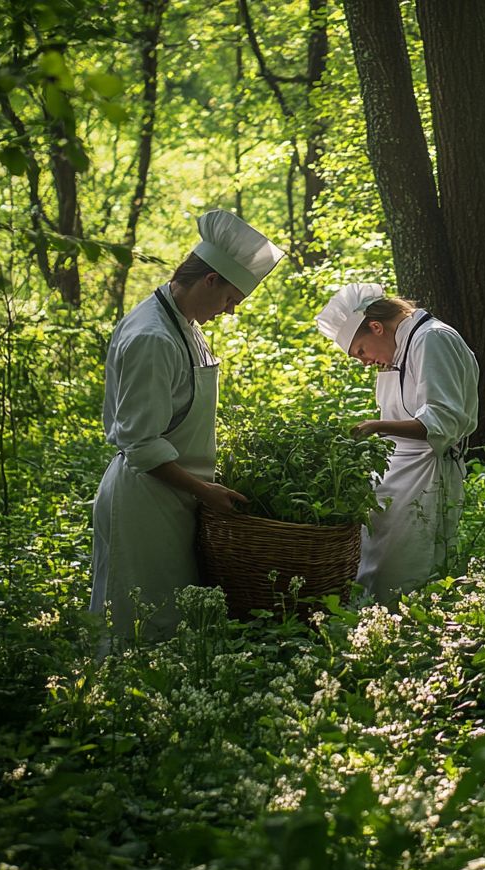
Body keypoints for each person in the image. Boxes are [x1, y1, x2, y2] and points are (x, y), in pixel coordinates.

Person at [91, 209, 284, 650]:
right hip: (144, 502)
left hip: (175, 496)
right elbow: (140, 444)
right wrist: (204, 491)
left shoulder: (185, 324)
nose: (231, 311)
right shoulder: (152, 337)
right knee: (139, 625)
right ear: (209, 280)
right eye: (232, 299)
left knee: (172, 619)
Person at [315, 283, 479, 604]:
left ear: (376, 327)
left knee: (411, 570)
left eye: (361, 351)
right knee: (375, 567)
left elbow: (442, 421)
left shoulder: (432, 340)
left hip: (427, 477)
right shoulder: (396, 352)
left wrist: (376, 427)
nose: (364, 362)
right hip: (395, 479)